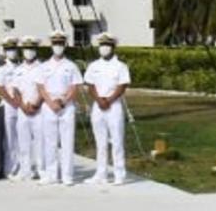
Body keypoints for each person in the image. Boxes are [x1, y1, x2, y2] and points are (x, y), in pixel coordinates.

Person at [84, 32, 132, 185]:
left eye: (107, 45)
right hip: (98, 106)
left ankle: (119, 174)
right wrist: (98, 100)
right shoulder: (94, 66)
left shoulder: (120, 66)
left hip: (114, 106)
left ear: (113, 47)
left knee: (117, 141)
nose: (104, 48)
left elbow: (122, 86)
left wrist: (109, 100)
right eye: (102, 45)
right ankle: (101, 173)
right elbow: (90, 85)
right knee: (100, 142)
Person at [38, 30, 83, 186]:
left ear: (65, 45)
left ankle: (67, 175)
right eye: (55, 43)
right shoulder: (44, 66)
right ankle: (51, 174)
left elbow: (74, 87)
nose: (58, 46)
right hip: (49, 105)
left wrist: (63, 102)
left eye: (60, 43)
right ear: (51, 45)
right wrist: (51, 103)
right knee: (50, 142)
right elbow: (41, 87)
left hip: (66, 105)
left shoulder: (71, 66)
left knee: (67, 141)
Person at [11, 36, 45, 181]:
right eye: (26, 49)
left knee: (39, 141)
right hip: (23, 110)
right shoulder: (18, 69)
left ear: (36, 50)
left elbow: (45, 89)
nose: (28, 52)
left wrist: (36, 104)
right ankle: (25, 170)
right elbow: (16, 90)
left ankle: (41, 170)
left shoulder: (43, 68)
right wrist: (22, 106)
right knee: (23, 141)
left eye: (31, 49)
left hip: (39, 109)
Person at [0, 36, 22, 178]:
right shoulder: (2, 69)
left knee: (22, 137)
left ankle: (22, 166)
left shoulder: (21, 67)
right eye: (9, 49)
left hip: (22, 105)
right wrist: (12, 101)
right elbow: (0, 87)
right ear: (5, 52)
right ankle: (9, 168)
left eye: (14, 49)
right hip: (9, 105)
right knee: (10, 138)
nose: (12, 52)